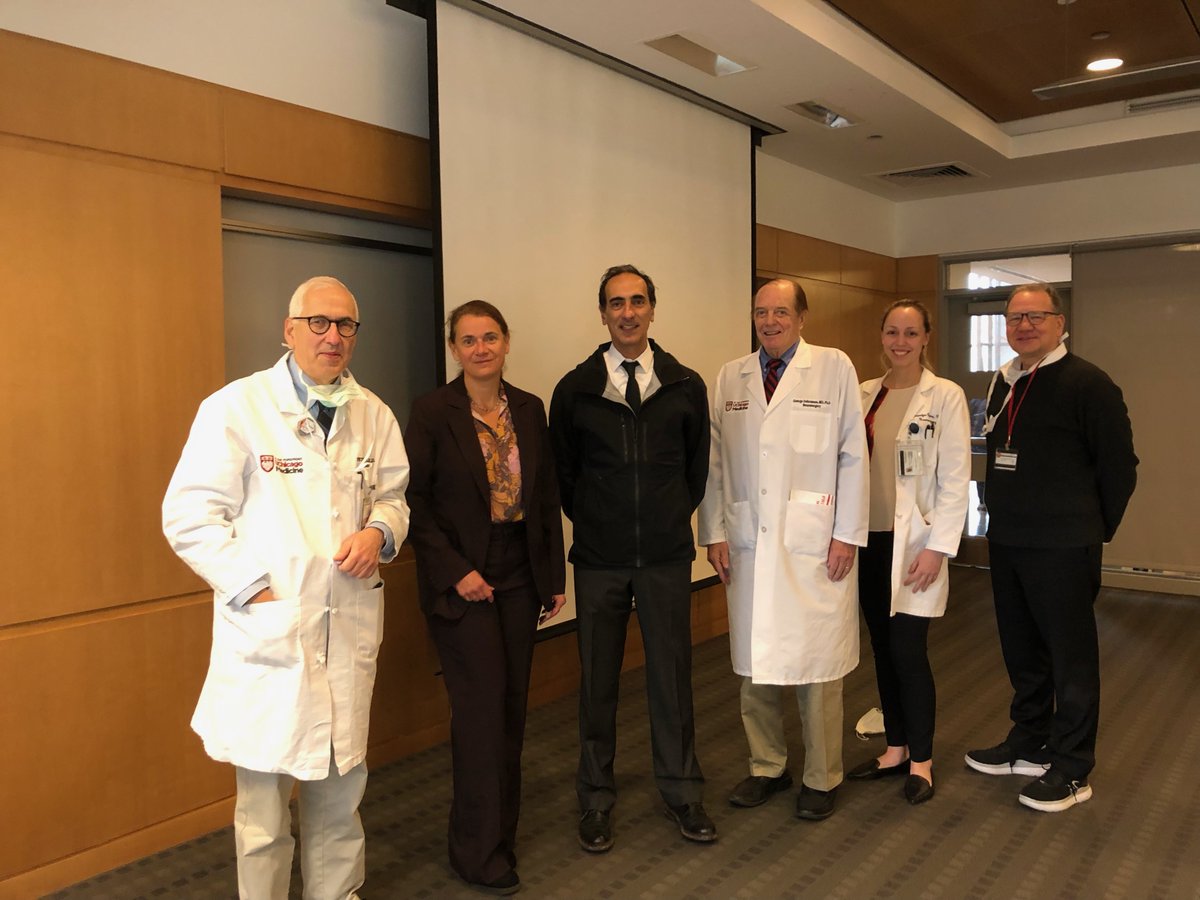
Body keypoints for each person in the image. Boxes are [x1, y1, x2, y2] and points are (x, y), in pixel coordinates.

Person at [162, 276, 410, 900]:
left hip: (345, 629)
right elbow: (189, 517)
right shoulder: (236, 409)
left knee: (339, 804)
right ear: (289, 329)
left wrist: (380, 531)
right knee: (264, 821)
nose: (333, 336)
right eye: (319, 323)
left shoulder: (373, 413)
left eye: (346, 325)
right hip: (272, 642)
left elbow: (396, 498)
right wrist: (255, 590)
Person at [549, 264, 715, 852]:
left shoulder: (685, 384)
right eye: (616, 303)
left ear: (651, 309)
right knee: (597, 684)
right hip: (599, 560)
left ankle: (681, 791)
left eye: (637, 301)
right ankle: (595, 799)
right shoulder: (575, 389)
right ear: (602, 313)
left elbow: (696, 472)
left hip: (666, 559)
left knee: (672, 679)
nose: (627, 312)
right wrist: (599, 517)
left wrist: (668, 517)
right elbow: (564, 476)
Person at [405, 301, 566, 895]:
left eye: (489, 337)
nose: (480, 349)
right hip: (464, 582)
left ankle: (501, 836)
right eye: (468, 340)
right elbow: (413, 503)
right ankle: (475, 852)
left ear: (505, 342)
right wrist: (455, 572)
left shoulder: (529, 407)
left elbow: (544, 495)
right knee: (478, 717)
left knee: (512, 710)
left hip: (521, 573)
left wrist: (553, 576)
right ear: (454, 349)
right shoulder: (430, 412)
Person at [698, 278, 868, 822]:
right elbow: (716, 464)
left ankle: (822, 776)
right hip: (750, 542)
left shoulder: (834, 367)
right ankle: (767, 765)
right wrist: (715, 531)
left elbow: (851, 455)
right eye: (760, 312)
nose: (769, 321)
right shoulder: (732, 375)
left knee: (817, 667)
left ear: (802, 316)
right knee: (755, 661)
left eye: (780, 312)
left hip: (815, 542)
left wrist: (847, 533)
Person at [965, 283, 1137, 812]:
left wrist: (1091, 530)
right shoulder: (1005, 382)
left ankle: (1071, 765)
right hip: (1010, 540)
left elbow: (1120, 468)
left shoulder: (1089, 383)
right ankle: (1029, 740)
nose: (1023, 326)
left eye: (1035, 316)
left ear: (1060, 323)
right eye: (1015, 318)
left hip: (1064, 544)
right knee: (1022, 650)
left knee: (1071, 657)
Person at [847, 300, 971, 805]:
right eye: (892, 331)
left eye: (911, 333)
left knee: (907, 651)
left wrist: (938, 549)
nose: (900, 341)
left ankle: (921, 759)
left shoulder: (945, 396)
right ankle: (894, 746)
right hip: (869, 543)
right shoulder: (863, 395)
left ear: (926, 338)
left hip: (915, 545)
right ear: (881, 335)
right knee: (882, 647)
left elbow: (955, 479)